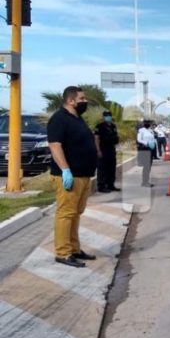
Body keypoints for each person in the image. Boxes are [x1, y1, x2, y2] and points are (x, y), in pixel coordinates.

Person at [47, 86, 98, 268]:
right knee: (66, 213)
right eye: (82, 99)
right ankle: (63, 253)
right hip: (70, 175)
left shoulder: (77, 119)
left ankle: (74, 249)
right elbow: (55, 146)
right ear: (71, 100)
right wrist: (65, 170)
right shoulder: (59, 119)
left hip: (83, 175)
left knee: (76, 213)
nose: (85, 101)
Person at [94, 110, 120, 193]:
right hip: (103, 149)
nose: (108, 117)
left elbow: (115, 137)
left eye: (109, 116)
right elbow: (96, 139)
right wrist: (98, 150)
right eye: (106, 116)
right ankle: (101, 186)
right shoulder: (99, 126)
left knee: (111, 168)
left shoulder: (113, 126)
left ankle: (110, 185)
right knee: (102, 169)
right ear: (103, 117)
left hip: (111, 149)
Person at [137, 120, 157, 187]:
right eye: (146, 123)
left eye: (149, 123)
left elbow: (153, 138)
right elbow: (139, 139)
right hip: (145, 149)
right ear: (144, 123)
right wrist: (147, 143)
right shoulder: (141, 130)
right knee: (146, 166)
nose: (147, 124)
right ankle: (144, 182)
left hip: (151, 149)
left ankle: (146, 181)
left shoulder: (150, 130)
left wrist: (153, 143)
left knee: (149, 166)